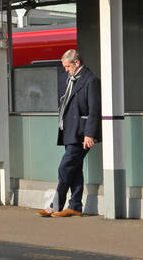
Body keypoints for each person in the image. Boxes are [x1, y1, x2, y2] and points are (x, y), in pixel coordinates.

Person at [39, 49, 100, 218]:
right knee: (74, 169)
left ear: (77, 63)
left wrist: (90, 134)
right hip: (69, 131)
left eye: (67, 66)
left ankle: (55, 206)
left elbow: (94, 109)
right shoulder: (71, 79)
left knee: (65, 167)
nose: (65, 69)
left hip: (81, 133)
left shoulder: (90, 80)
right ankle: (75, 206)